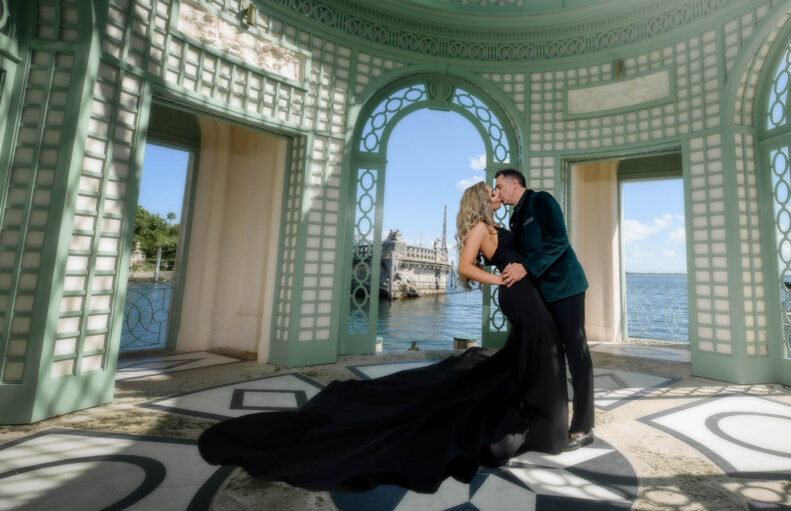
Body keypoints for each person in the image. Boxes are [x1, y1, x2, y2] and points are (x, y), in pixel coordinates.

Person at [196, 182, 568, 493]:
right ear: (478, 200)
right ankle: (550, 428)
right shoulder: (479, 229)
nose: (495, 194)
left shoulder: (493, 224)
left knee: (535, 356)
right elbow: (464, 267)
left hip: (526, 295)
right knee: (542, 352)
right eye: (490, 191)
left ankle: (545, 422)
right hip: (517, 295)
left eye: (496, 189)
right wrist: (500, 277)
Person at [493, 169, 594, 450]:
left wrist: (526, 267)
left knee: (577, 352)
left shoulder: (542, 201)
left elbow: (558, 241)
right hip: (541, 295)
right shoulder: (514, 216)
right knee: (551, 355)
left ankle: (585, 425)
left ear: (515, 184)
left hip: (566, 288)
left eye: (500, 186)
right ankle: (550, 418)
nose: (497, 192)